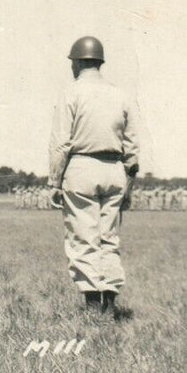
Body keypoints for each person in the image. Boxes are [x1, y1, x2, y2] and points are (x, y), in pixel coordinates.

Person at [48, 36, 143, 317]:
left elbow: (61, 143)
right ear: (99, 62)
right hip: (115, 170)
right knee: (109, 238)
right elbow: (133, 145)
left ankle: (92, 308)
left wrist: (54, 181)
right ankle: (110, 304)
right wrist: (129, 183)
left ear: (77, 62)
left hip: (81, 167)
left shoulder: (71, 93)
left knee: (83, 238)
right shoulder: (121, 94)